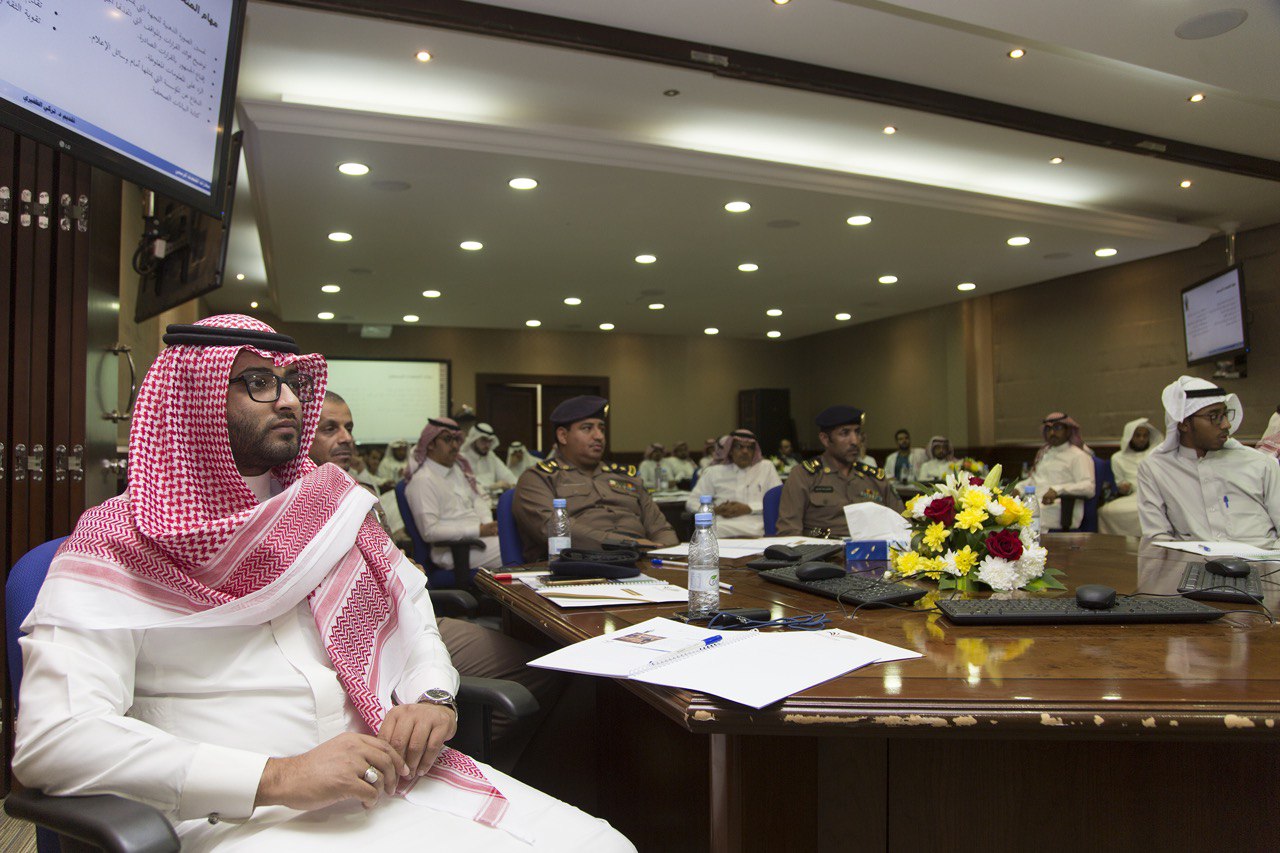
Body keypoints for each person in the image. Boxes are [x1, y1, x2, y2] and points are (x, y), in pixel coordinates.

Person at [13, 315, 632, 852]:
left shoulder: (329, 509)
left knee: (605, 843)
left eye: (291, 383)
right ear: (191, 401)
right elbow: (55, 740)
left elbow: (411, 610)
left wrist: (431, 695)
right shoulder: (118, 540)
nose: (287, 399)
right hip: (239, 816)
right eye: (258, 382)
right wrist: (279, 776)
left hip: (392, 779)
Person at [314, 393, 563, 770]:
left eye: (349, 428)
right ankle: (453, 761)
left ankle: (476, 759)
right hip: (359, 632)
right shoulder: (290, 501)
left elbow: (394, 562)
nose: (347, 438)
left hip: (410, 614)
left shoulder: (361, 490)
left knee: (546, 665)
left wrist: (400, 566)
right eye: (330, 429)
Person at [513, 396, 678, 560]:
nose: (599, 436)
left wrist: (667, 554)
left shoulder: (626, 476)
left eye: (602, 429)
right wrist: (628, 545)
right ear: (563, 436)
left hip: (642, 560)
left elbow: (660, 528)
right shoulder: (538, 478)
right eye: (587, 428)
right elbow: (555, 529)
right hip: (577, 564)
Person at [1138, 376, 1280, 546]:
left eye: (1225, 414)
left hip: (1266, 558)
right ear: (1183, 424)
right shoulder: (1155, 469)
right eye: (1214, 416)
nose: (1226, 424)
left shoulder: (1261, 464)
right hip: (1196, 561)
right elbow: (1157, 539)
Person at [777, 405, 903, 538]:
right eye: (845, 433)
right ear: (825, 439)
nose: (855, 441)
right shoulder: (804, 475)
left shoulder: (874, 478)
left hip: (873, 548)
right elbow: (789, 533)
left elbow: (904, 525)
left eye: (857, 432)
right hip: (823, 549)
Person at [405, 417, 504, 572]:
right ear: (430, 443)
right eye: (448, 439)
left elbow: (477, 499)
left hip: (477, 541)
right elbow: (430, 532)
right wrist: (478, 530)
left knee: (519, 540)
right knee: (517, 548)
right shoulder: (423, 480)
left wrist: (488, 525)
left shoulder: (457, 470)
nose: (455, 445)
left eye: (457, 439)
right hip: (452, 551)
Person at [687, 429, 782, 537]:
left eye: (750, 447)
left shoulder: (766, 467)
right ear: (730, 450)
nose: (745, 451)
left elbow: (779, 501)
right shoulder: (714, 472)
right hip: (720, 530)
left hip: (757, 530)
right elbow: (691, 502)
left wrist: (749, 508)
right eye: (739, 447)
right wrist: (714, 510)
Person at [1026, 412, 1095, 531]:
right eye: (1048, 429)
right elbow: (1034, 480)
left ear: (1068, 430)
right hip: (1038, 503)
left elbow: (1088, 487)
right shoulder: (1044, 453)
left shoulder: (1078, 456)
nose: (1052, 433)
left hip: (1061, 508)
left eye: (1057, 428)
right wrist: (1018, 488)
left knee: (1026, 516)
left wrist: (1057, 490)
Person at [1098, 418, 1161, 537]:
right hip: (1132, 496)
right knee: (1105, 512)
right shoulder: (1117, 458)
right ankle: (1115, 543)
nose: (1142, 439)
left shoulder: (1156, 454)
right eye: (1138, 435)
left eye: (1145, 436)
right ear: (1130, 436)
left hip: (1155, 494)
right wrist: (1124, 487)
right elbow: (1120, 483)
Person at [460, 422, 517, 494]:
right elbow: (465, 487)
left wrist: (514, 484)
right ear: (474, 439)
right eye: (483, 440)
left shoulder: (490, 456)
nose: (487, 445)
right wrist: (491, 487)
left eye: (490, 441)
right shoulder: (462, 458)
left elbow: (507, 475)